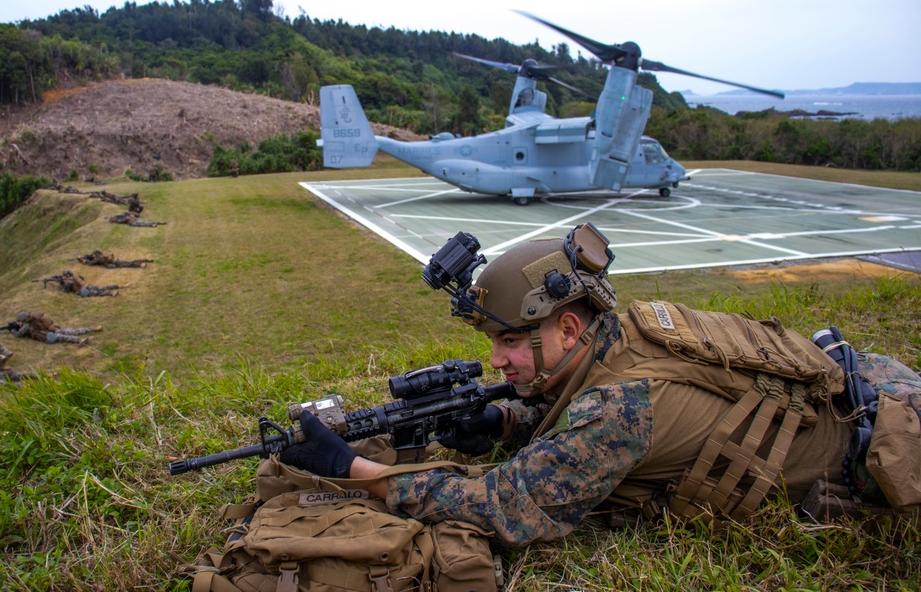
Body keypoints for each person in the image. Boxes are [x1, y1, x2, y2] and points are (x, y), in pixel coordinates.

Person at [278, 223, 921, 549]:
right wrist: (504, 424)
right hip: (859, 378)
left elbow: (510, 505)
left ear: (564, 326)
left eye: (509, 341)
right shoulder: (626, 330)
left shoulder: (619, 406)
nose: (498, 361)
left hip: (883, 436)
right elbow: (580, 415)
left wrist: (356, 467)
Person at [3, 311, 101, 345]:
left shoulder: (27, 326)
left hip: (47, 335)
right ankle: (92, 329)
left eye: (19, 321)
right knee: (72, 331)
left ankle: (79, 340)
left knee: (63, 337)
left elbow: (19, 335)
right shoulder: (33, 320)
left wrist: (12, 331)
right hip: (50, 329)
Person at [76, 249, 153, 268]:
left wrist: (84, 261)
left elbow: (91, 263)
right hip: (115, 261)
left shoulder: (98, 258)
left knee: (129, 264)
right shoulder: (104, 254)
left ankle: (141, 264)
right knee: (129, 262)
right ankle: (145, 260)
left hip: (112, 264)